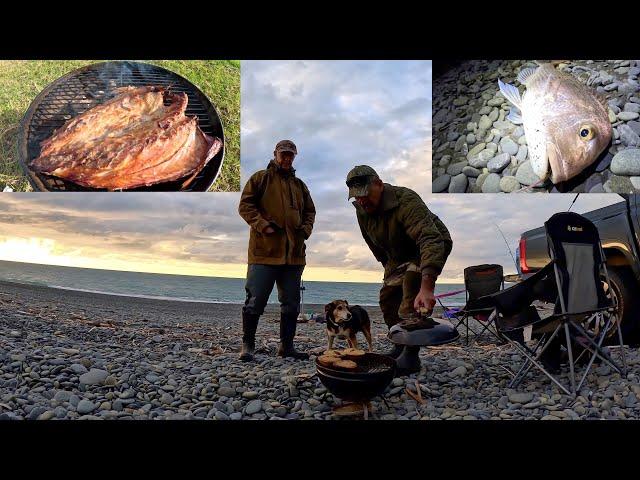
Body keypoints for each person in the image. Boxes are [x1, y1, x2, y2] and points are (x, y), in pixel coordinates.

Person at [347, 165, 453, 357]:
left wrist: (427, 287)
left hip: (429, 244)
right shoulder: (361, 209)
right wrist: (388, 269)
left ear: (379, 184)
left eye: (365, 194)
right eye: (356, 197)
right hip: (398, 254)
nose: (361, 200)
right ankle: (399, 343)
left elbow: (429, 238)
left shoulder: (405, 199)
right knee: (388, 299)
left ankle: (410, 357)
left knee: (410, 292)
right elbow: (373, 243)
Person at [237, 140, 316, 362]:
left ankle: (287, 347)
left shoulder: (300, 186)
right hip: (264, 253)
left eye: (291, 155)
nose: (287, 158)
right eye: (283, 154)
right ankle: (248, 345)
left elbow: (310, 211)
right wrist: (264, 225)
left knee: (291, 304)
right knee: (255, 300)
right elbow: (245, 206)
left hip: (294, 256)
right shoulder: (260, 178)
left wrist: (306, 230)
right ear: (275, 154)